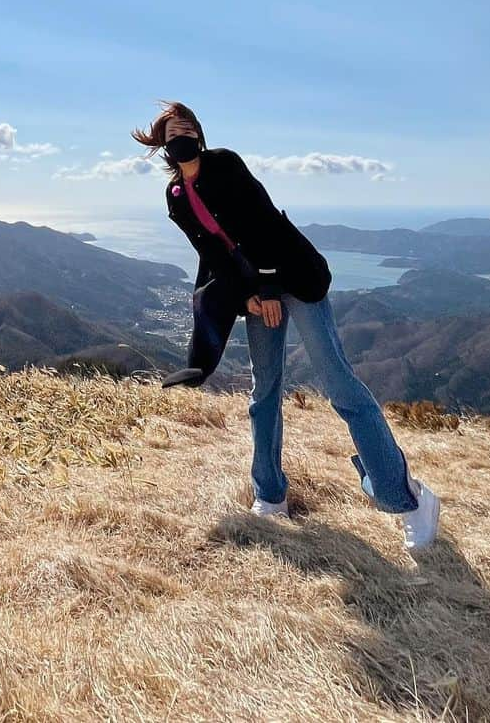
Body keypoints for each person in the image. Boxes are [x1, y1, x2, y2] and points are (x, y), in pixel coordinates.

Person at [131, 100, 441, 551]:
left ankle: (408, 499)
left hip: (294, 276)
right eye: (171, 132)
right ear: (163, 144)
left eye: (186, 128)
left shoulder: (225, 165)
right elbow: (215, 256)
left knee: (339, 384)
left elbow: (264, 224)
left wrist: (271, 290)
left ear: (199, 133)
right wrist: (250, 297)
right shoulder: (177, 197)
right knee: (265, 392)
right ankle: (270, 494)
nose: (180, 137)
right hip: (256, 293)